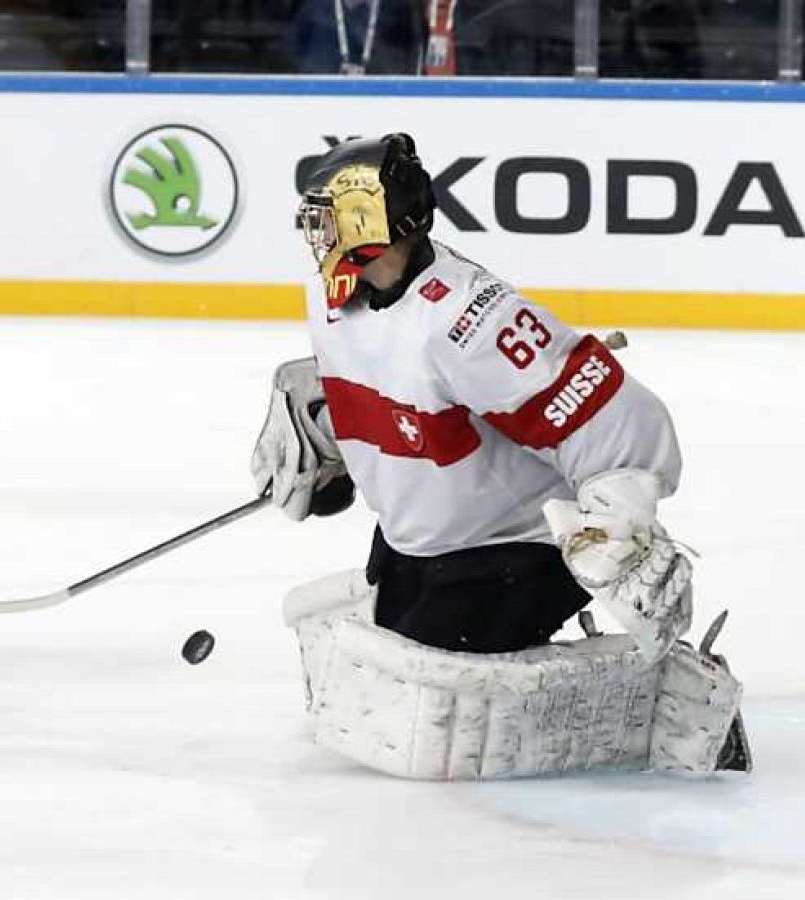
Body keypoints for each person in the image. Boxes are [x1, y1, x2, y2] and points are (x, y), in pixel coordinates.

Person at [255, 133, 749, 779]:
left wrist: (618, 518)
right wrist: (322, 422)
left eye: (326, 218)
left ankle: (675, 696)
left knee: (445, 702)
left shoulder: (468, 321)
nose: (314, 233)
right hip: (417, 542)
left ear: (366, 219)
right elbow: (375, 367)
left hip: (513, 547)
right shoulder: (331, 295)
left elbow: (618, 414)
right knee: (395, 669)